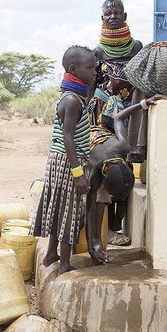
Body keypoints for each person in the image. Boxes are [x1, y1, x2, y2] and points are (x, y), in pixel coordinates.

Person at [30, 45, 97, 275]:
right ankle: (65, 264)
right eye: (90, 68)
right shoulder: (72, 100)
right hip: (69, 161)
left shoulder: (72, 95)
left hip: (61, 159)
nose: (94, 72)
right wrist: (78, 174)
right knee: (70, 209)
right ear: (73, 69)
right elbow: (68, 137)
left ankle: (51, 253)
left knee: (59, 206)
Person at [85, 94, 167, 265]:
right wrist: (91, 246)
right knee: (92, 201)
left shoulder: (123, 146)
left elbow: (119, 117)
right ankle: (91, 242)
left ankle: (99, 240)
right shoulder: (95, 170)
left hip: (107, 151)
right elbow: (89, 207)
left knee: (102, 199)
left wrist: (144, 103)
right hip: (87, 145)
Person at [91, 0, 143, 247]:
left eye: (117, 12)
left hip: (130, 114)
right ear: (102, 18)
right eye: (108, 13)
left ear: (125, 17)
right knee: (106, 167)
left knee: (126, 168)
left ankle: (116, 226)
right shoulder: (97, 52)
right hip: (101, 116)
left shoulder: (137, 49)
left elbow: (142, 80)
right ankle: (105, 230)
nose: (112, 16)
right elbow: (91, 85)